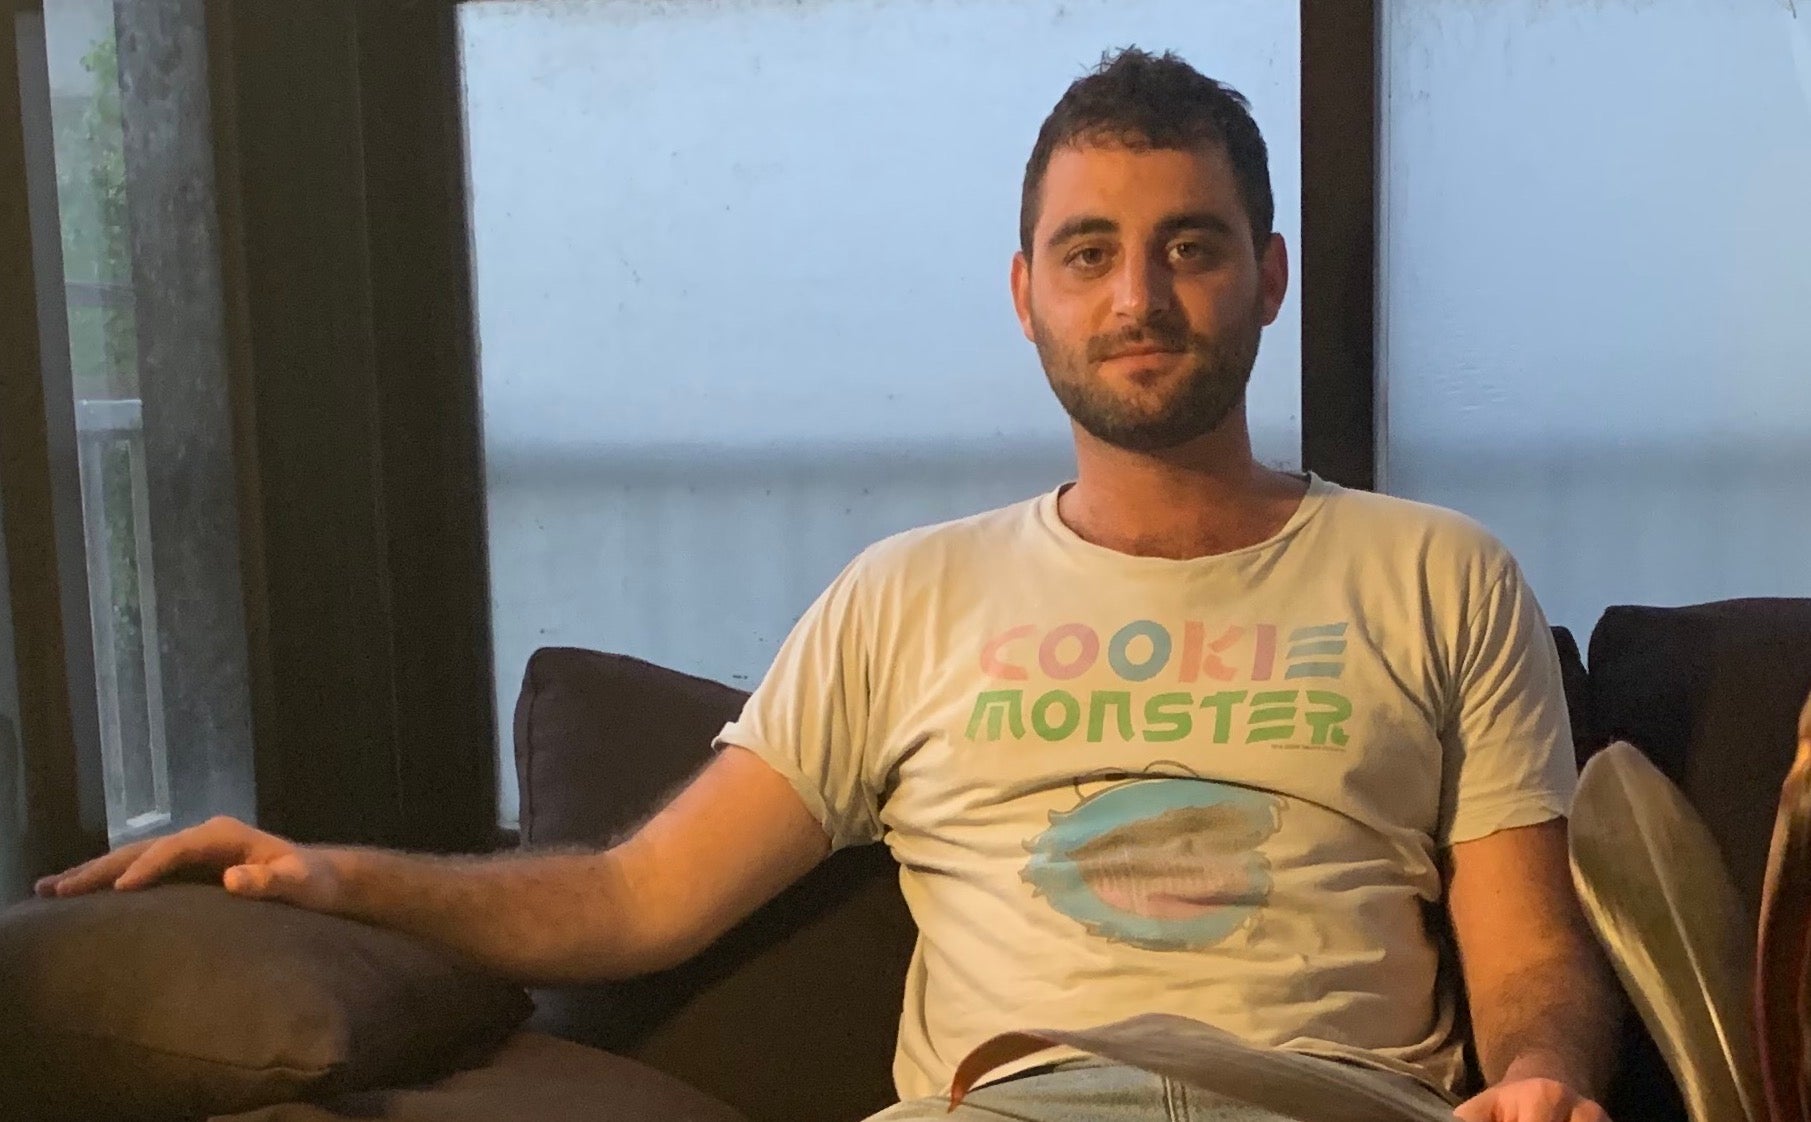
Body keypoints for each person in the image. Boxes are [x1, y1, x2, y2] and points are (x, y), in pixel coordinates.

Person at [36, 47, 1619, 1122]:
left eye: (1192, 245)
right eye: (1088, 253)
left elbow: (1531, 955)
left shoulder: (1438, 574)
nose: (1139, 295)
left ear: (1267, 276)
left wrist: (1545, 1074)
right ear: (1027, 296)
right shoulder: (908, 596)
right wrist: (333, 874)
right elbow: (633, 894)